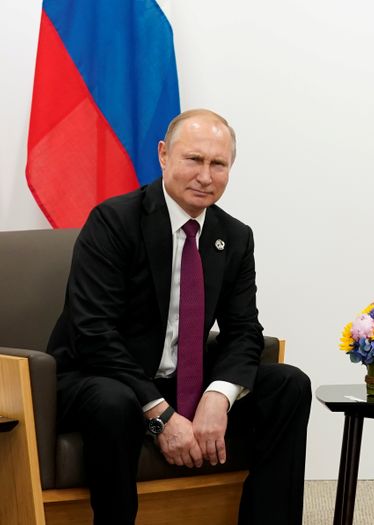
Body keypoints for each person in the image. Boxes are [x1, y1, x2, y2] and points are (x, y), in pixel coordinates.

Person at [47, 109, 311, 525]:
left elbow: (245, 331)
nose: (206, 176)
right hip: (97, 376)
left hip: (180, 379)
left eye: (218, 164)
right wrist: (160, 415)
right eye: (194, 159)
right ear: (164, 155)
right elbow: (92, 332)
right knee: (114, 401)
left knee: (289, 384)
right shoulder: (114, 221)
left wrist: (218, 397)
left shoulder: (235, 236)